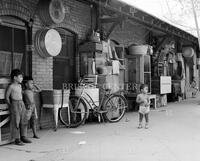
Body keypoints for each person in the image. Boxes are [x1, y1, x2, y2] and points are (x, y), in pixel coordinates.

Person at [6, 69, 31, 145]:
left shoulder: (20, 86)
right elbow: (7, 97)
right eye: (20, 77)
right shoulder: (11, 86)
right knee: (16, 121)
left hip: (21, 103)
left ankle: (23, 136)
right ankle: (17, 139)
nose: (22, 78)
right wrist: (10, 106)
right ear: (15, 77)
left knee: (24, 119)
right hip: (14, 104)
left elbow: (22, 95)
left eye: (22, 77)